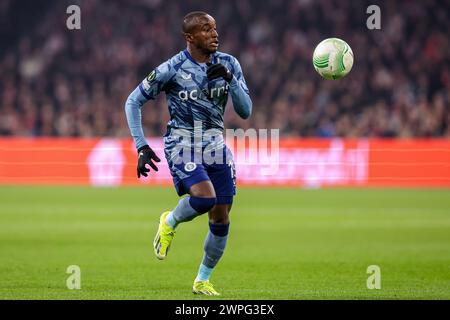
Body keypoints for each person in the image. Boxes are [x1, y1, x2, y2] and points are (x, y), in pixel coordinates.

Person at [124, 11, 252, 296]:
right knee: (205, 198)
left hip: (216, 146)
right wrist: (141, 146)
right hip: (182, 143)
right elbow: (133, 102)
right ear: (190, 37)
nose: (214, 34)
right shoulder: (172, 68)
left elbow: (245, 112)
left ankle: (202, 280)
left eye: (215, 28)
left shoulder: (229, 64)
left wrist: (231, 80)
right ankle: (169, 221)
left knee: (221, 219)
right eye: (206, 30)